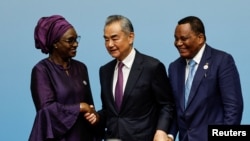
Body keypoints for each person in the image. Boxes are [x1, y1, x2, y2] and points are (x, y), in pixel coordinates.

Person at [97, 14, 175, 141]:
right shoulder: (105, 71)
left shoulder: (152, 67)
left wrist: (161, 131)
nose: (110, 44)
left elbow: (167, 105)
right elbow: (110, 111)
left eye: (114, 38)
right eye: (106, 39)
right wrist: (95, 116)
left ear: (130, 37)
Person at [168, 16, 244, 141]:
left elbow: (233, 107)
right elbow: (176, 109)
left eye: (183, 38)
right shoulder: (174, 68)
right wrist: (170, 135)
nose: (178, 43)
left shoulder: (222, 61)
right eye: (176, 39)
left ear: (200, 38)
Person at [29, 15, 100, 141]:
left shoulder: (81, 68)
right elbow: (46, 110)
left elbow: (90, 105)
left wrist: (95, 116)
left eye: (76, 39)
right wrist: (79, 107)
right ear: (55, 43)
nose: (76, 44)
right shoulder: (41, 70)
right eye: (70, 40)